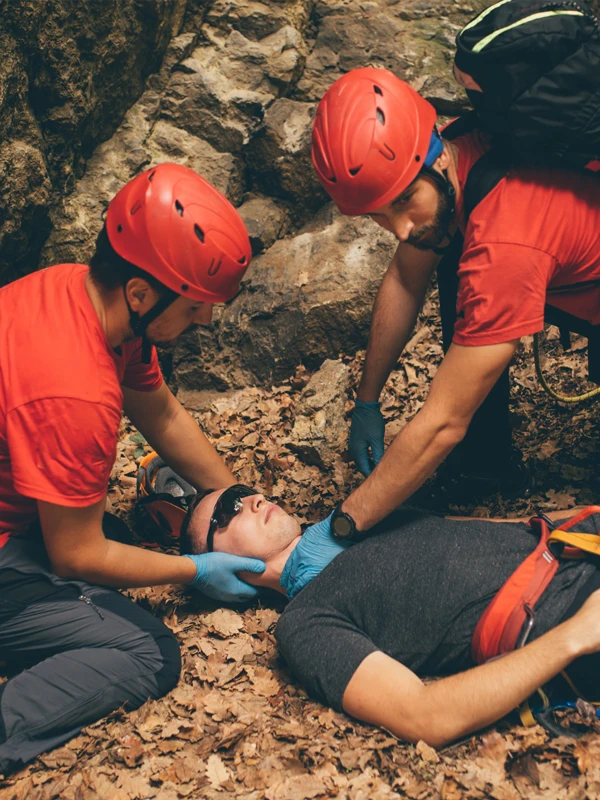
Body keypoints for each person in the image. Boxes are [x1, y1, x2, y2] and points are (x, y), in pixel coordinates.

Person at [0, 163, 267, 776]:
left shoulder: (86, 297)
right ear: (143, 294)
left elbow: (164, 415)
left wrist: (232, 494)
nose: (205, 320)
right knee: (147, 651)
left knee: (123, 541)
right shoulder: (76, 388)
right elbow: (75, 555)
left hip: (20, 517)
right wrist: (195, 568)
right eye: (197, 307)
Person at [307, 67, 600, 541]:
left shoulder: (504, 242)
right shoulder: (463, 145)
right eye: (380, 215)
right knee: (440, 240)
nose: (399, 228)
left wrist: (344, 525)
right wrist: (368, 400)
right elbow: (405, 278)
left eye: (404, 201)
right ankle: (486, 467)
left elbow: (444, 421)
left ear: (436, 160)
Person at [181, 484, 600, 747]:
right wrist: (577, 635)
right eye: (226, 513)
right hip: (568, 612)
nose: (250, 500)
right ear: (222, 573)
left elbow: (496, 531)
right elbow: (424, 715)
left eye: (241, 492)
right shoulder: (306, 621)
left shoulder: (360, 519)